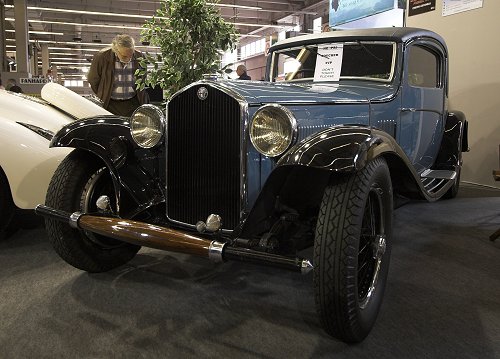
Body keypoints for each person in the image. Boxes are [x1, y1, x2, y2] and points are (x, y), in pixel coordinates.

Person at [87, 34, 149, 116]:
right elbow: (93, 80)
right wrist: (104, 92)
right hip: (110, 103)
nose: (128, 59)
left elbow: (143, 79)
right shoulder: (102, 57)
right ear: (115, 50)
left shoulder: (140, 56)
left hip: (133, 102)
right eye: (124, 56)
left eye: (131, 55)